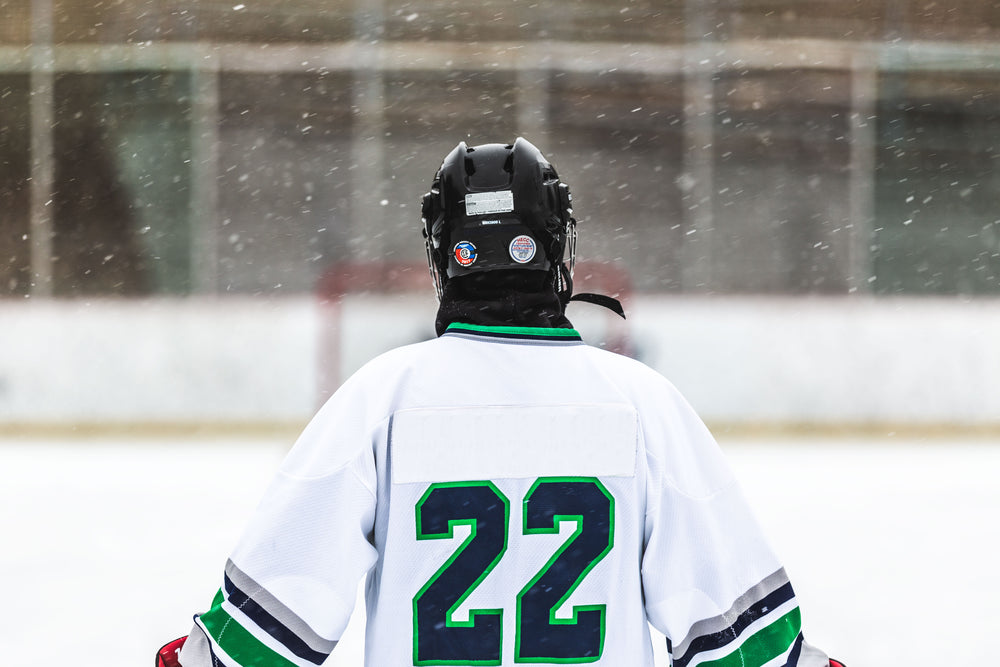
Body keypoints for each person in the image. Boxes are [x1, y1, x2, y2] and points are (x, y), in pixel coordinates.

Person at [158, 137, 845, 667]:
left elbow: (257, 639)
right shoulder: (644, 404)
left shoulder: (380, 398)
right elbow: (746, 645)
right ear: (558, 247)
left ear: (441, 255)